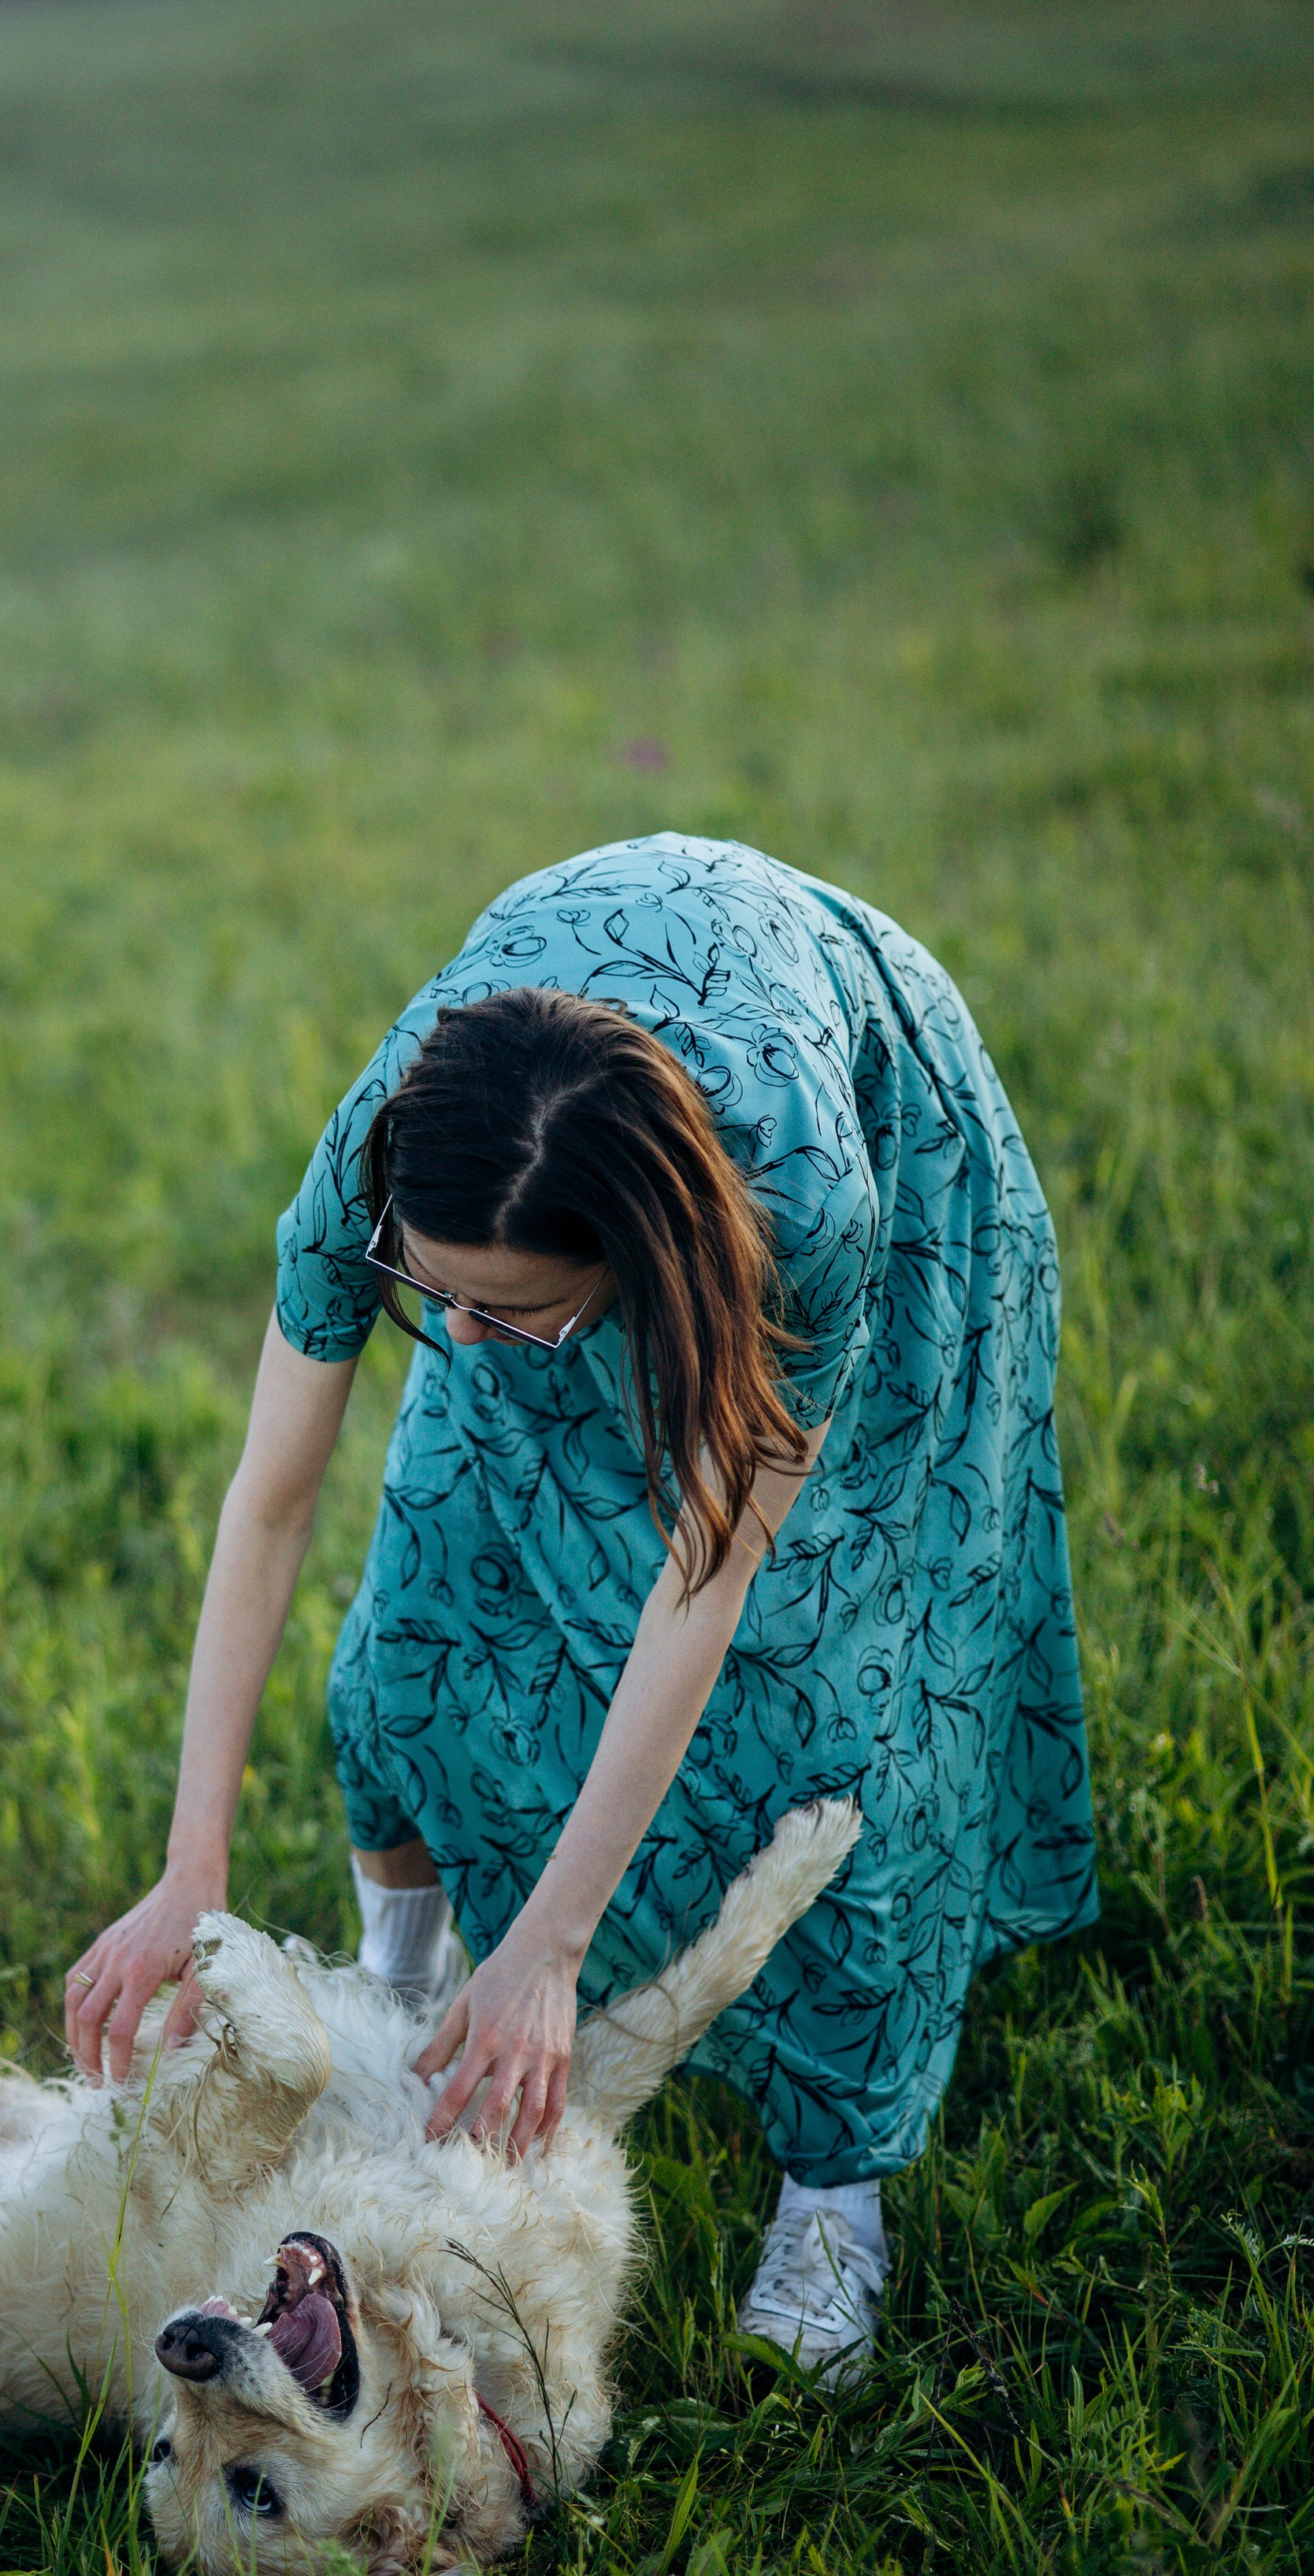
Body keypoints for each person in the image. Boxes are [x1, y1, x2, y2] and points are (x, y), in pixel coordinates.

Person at [64, 835, 1097, 2381]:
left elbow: (707, 1570)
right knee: (408, 1648)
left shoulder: (801, 1211)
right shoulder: (386, 1164)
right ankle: (401, 1996)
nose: (459, 1338)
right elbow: (271, 1501)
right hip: (556, 1159)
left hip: (846, 1118)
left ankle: (832, 2185)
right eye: (439, 1299)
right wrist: (187, 1872)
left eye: (508, 1310)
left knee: (803, 1710)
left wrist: (552, 1944)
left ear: (623, 1261)